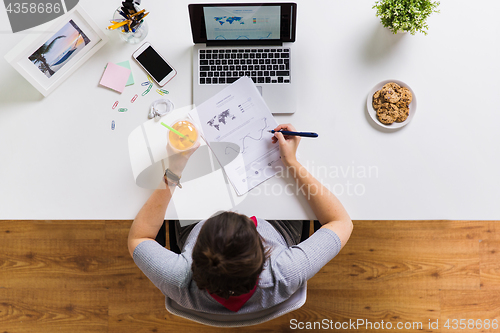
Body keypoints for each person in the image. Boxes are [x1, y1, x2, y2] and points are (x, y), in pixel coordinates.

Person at [128, 123, 353, 314]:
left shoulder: (177, 278)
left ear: (193, 256)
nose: (236, 210)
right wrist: (292, 162)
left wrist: (174, 168)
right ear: (265, 255)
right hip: (278, 228)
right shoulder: (285, 271)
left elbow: (139, 238)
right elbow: (341, 222)